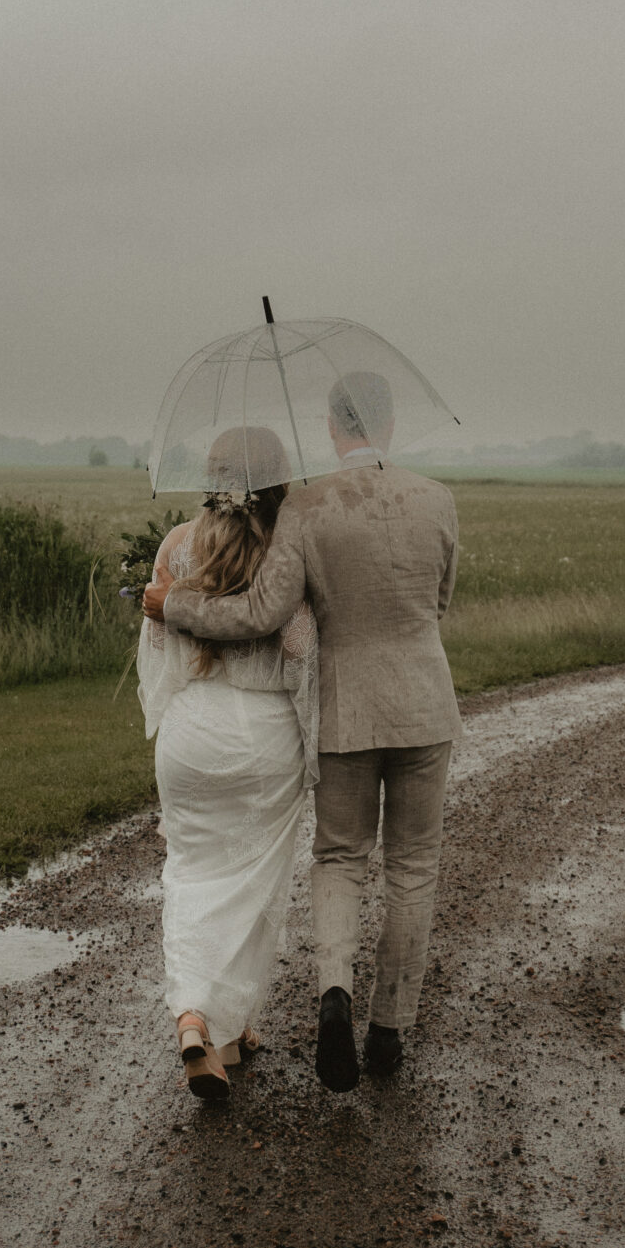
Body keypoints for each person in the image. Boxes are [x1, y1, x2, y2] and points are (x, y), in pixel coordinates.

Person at [146, 369, 460, 1093]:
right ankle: (388, 1030)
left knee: (340, 858)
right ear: (387, 421)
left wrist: (176, 608)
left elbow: (262, 613)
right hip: (423, 703)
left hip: (345, 714)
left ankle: (332, 995)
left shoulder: (308, 509)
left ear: (329, 425)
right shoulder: (438, 499)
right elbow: (438, 601)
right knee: (413, 866)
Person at [137, 424, 319, 1104]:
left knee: (190, 873)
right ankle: (215, 1018)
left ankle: (208, 1023)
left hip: (191, 730)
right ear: (278, 481)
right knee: (252, 886)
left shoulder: (175, 547)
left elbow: (157, 649)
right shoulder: (285, 554)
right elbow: (299, 649)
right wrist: (310, 741)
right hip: (263, 732)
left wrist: (166, 717)